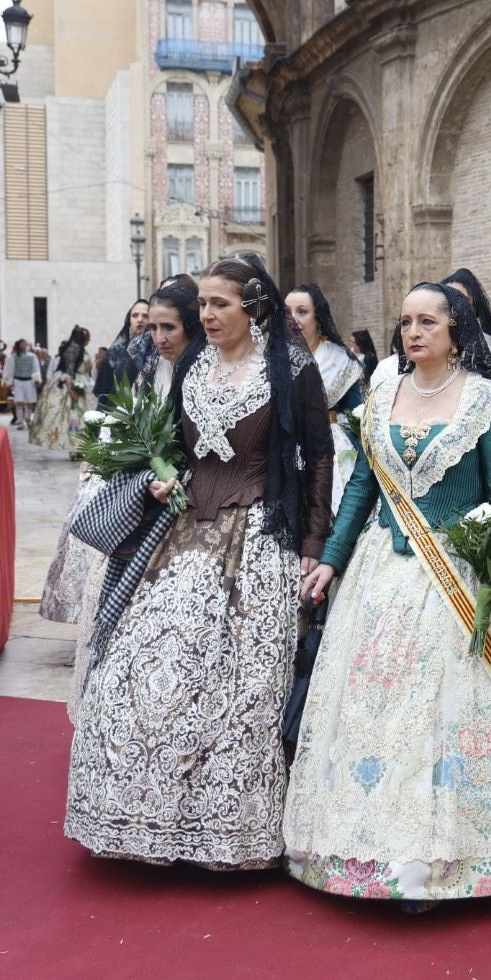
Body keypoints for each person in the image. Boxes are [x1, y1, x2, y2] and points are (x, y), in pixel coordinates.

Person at [285, 281, 491, 907]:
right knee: (374, 709)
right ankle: (362, 850)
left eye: (428, 321)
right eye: (406, 321)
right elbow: (361, 492)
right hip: (381, 577)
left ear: (456, 330)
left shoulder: (485, 399)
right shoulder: (380, 397)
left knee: (446, 710)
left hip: (457, 573)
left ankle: (450, 861)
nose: (413, 332)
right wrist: (331, 559)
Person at [65, 255, 334, 869]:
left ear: (253, 307)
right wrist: (161, 476)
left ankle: (227, 836)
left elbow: (319, 460)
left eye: (220, 305)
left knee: (241, 689)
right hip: (184, 533)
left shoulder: (292, 370)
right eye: (203, 305)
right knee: (138, 668)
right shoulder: (190, 364)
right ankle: (141, 821)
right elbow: (176, 445)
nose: (206, 316)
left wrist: (315, 550)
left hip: (261, 536)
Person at [67, 276, 204, 721]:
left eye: (170, 328)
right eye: (153, 329)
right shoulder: (149, 369)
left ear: (190, 327)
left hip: (187, 508)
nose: (159, 338)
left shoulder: (201, 372)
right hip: (147, 496)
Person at [287, 283, 365, 512]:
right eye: (286, 312)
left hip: (330, 448)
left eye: (302, 312)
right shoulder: (269, 358)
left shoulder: (340, 360)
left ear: (317, 318)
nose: (293, 319)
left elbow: (358, 415)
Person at [444, 267, 491, 390]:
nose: (454, 305)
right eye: (448, 298)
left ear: (474, 306)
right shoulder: (430, 341)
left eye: (461, 299)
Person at [30, 325, 91, 452]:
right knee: (73, 418)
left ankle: (78, 447)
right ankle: (74, 447)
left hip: (83, 384)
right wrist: (71, 389)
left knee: (78, 419)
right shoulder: (73, 350)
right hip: (71, 385)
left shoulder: (79, 350)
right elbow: (69, 371)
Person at [94, 299, 153, 400]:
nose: (140, 320)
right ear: (129, 321)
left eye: (145, 316)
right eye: (135, 315)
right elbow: (105, 390)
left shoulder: (158, 352)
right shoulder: (115, 351)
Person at [2, 339, 41, 429]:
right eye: (22, 344)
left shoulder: (32, 356)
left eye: (25, 344)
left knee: (30, 401)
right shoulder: (13, 357)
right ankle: (20, 421)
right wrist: (7, 382)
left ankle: (27, 419)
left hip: (29, 381)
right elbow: (9, 370)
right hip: (18, 381)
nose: (23, 346)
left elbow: (36, 369)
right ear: (18, 346)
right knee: (19, 401)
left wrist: (37, 379)